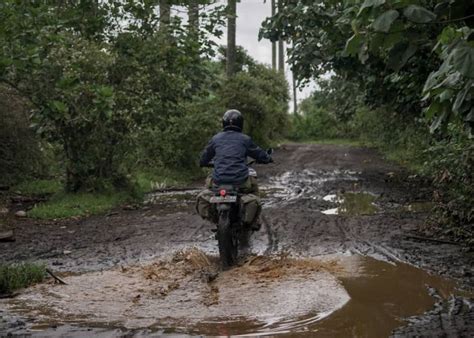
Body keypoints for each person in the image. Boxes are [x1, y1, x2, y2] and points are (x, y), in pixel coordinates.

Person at [199, 109, 273, 193]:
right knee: (253, 184)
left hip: (219, 181)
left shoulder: (215, 138)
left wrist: (203, 162)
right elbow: (259, 154)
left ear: (224, 122)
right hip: (240, 181)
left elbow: (204, 158)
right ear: (241, 123)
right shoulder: (245, 139)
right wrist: (268, 158)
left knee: (208, 186)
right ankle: (257, 204)